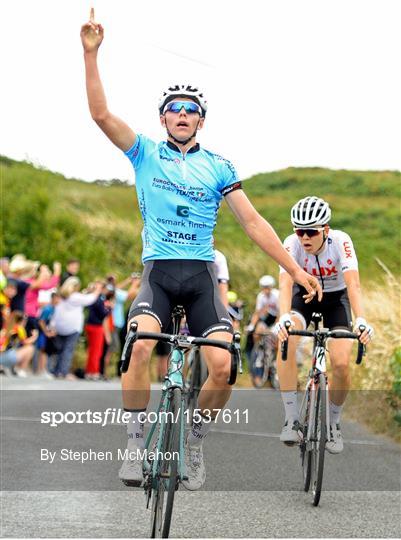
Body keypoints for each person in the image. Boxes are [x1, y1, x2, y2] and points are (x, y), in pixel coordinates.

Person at [81, 8, 322, 490]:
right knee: (141, 345)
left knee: (223, 365)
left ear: (202, 120)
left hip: (201, 276)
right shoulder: (145, 152)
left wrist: (295, 267)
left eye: (192, 109)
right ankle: (133, 447)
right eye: (175, 107)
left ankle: (193, 438)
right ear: (163, 116)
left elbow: (252, 222)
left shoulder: (218, 166)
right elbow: (102, 115)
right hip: (158, 273)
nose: (183, 114)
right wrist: (91, 54)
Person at [274, 196, 373, 453]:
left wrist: (361, 319)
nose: (304, 237)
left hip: (336, 299)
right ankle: (291, 418)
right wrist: (283, 316)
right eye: (299, 231)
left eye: (310, 232)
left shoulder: (341, 241)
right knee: (286, 338)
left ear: (325, 230)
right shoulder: (290, 243)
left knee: (340, 363)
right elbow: (285, 284)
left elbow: (353, 285)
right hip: (304, 295)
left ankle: (334, 422)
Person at [52, 277, 102, 379]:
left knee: (60, 350)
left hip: (60, 326)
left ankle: (56, 371)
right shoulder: (74, 296)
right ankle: (63, 372)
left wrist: (87, 291)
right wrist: (97, 290)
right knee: (68, 350)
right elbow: (90, 299)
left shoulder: (62, 296)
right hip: (72, 327)